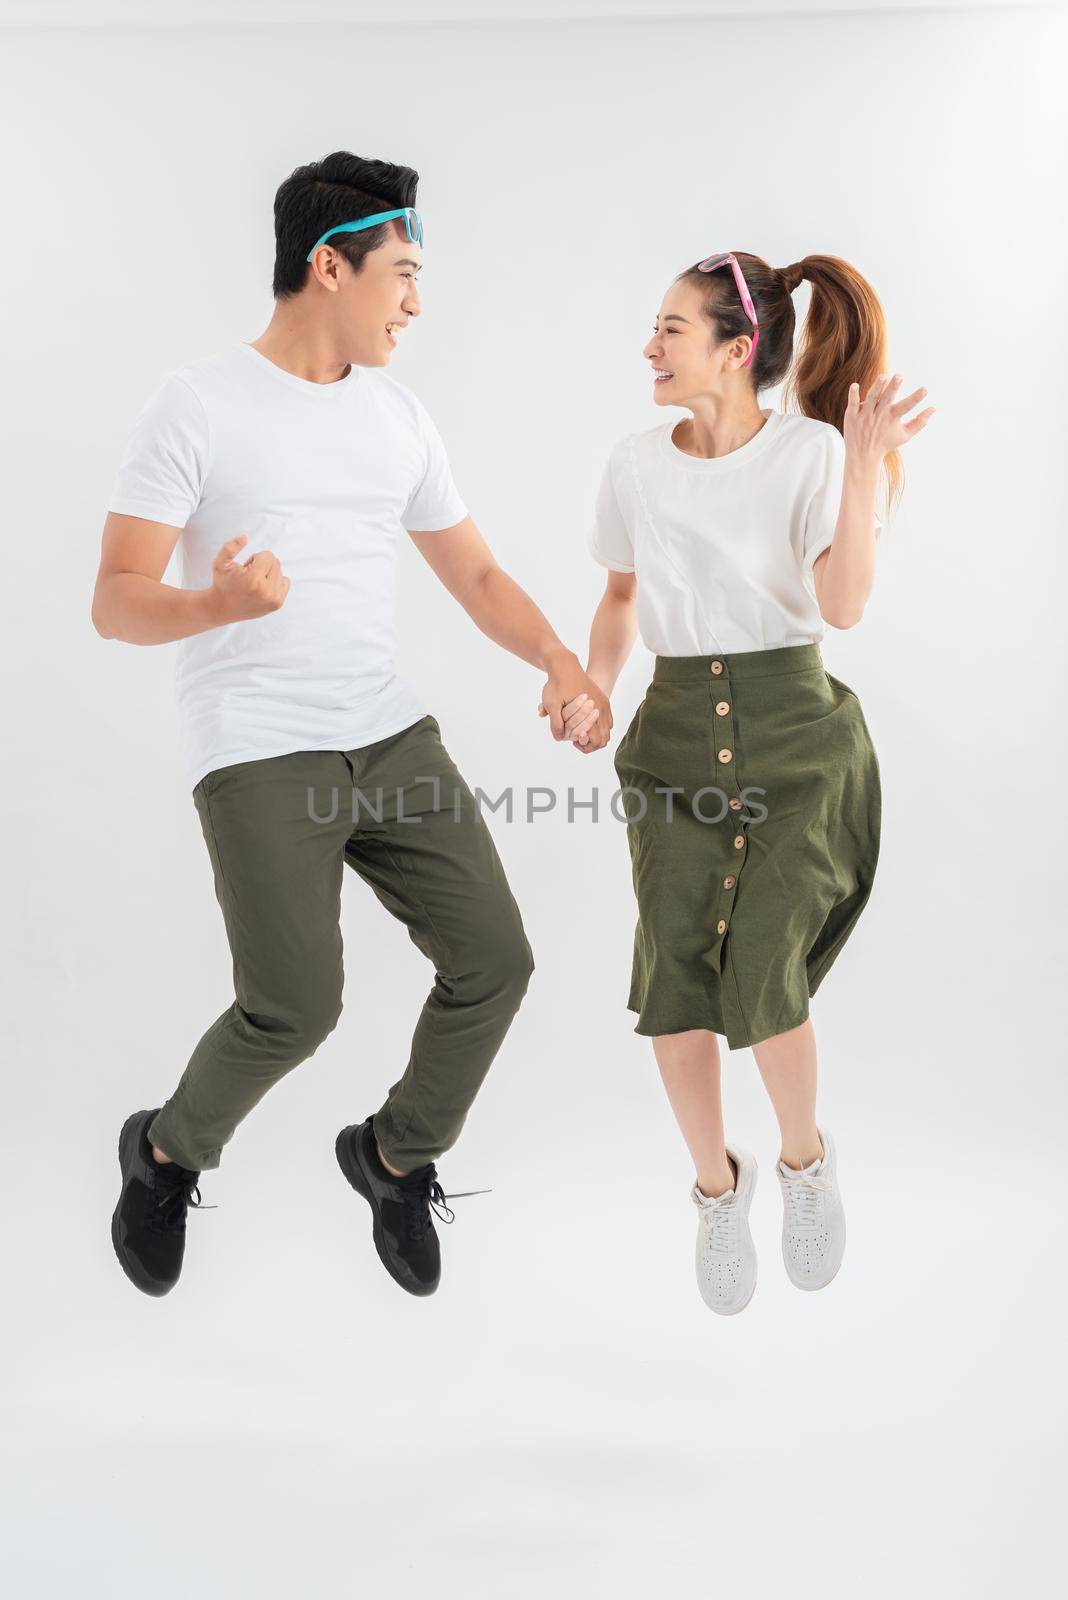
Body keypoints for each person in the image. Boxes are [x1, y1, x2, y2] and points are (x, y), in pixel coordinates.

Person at [96, 150, 608, 1300]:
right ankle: (166, 1150)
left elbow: (475, 576)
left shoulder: (398, 418)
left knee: (496, 959)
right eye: (404, 273)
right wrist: (219, 604)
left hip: (385, 733)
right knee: (296, 1005)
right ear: (330, 265)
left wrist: (561, 659)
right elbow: (114, 598)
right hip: (258, 744)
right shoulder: (197, 405)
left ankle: (391, 1155)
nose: (417, 302)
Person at [558, 251, 933, 1314]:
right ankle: (718, 1190)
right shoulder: (636, 463)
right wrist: (594, 682)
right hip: (673, 739)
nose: (651, 347)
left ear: (738, 348)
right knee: (674, 975)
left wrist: (864, 471)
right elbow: (621, 596)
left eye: (671, 328)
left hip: (794, 740)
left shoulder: (812, 453)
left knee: (764, 965)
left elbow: (845, 605)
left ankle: (806, 1165)